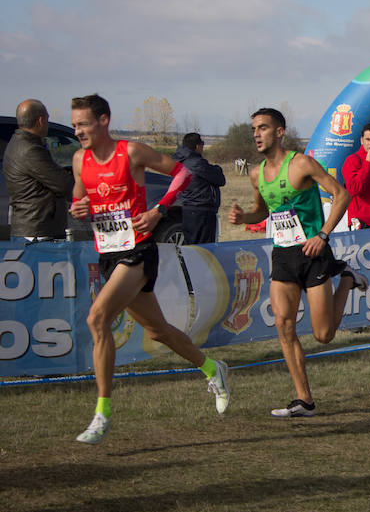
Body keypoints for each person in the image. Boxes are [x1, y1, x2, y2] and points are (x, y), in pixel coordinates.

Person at [68, 94, 229, 444]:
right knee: (158, 331)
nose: (77, 130)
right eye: (75, 124)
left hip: (138, 250)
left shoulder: (131, 152)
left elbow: (183, 172)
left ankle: (102, 413)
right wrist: (80, 207)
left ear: (104, 120)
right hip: (109, 253)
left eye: (83, 123)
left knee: (97, 318)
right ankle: (212, 368)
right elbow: (79, 197)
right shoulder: (80, 159)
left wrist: (159, 210)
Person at [229, 108, 366, 418]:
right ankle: (305, 400)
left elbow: (340, 195)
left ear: (279, 132)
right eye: (254, 129)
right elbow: (262, 212)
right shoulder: (257, 173)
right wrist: (242, 218)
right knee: (284, 325)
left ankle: (346, 278)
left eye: (263, 127)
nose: (256, 134)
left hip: (314, 254)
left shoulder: (301, 163)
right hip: (283, 255)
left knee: (323, 334)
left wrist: (323, 235)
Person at [3, 99, 75, 240]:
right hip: (38, 230)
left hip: (30, 226)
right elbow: (63, 184)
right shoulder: (31, 150)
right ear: (41, 120)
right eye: (47, 119)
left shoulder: (17, 144)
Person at [172, 132, 225, 244]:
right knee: (203, 249)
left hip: (187, 208)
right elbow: (220, 179)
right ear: (197, 146)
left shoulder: (181, 161)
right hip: (201, 211)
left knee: (191, 246)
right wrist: (217, 168)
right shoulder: (196, 163)